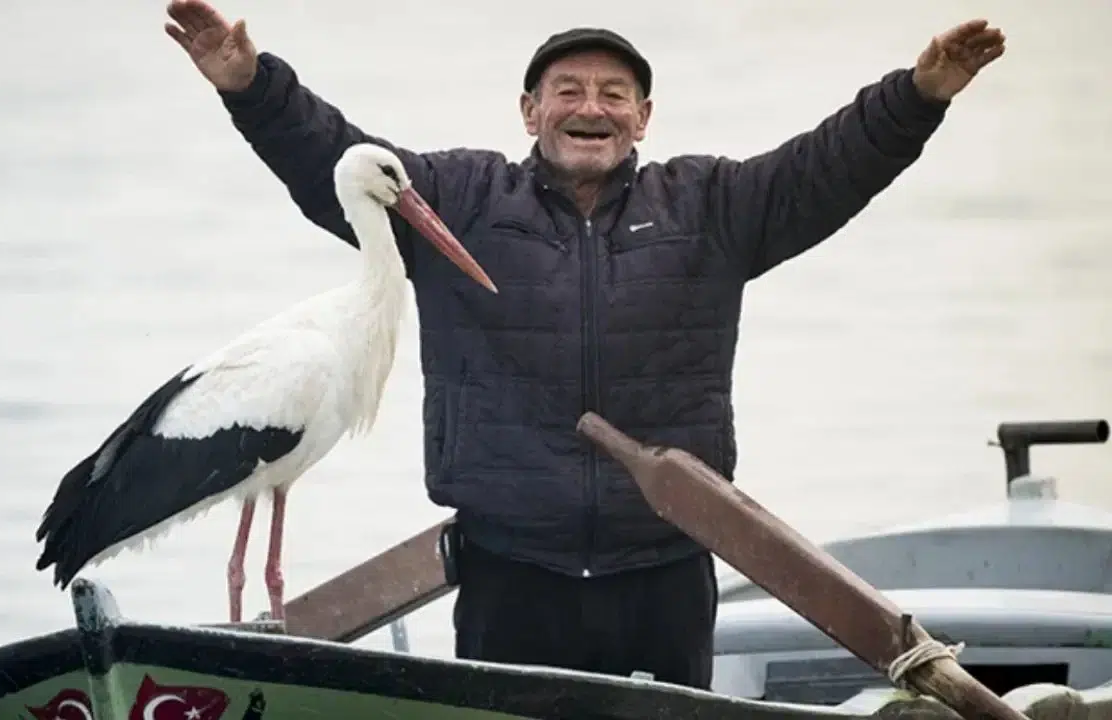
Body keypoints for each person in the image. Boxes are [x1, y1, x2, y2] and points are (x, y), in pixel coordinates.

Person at [163, 0, 1005, 689]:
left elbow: (828, 167)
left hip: (666, 567)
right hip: (509, 572)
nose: (590, 107)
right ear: (529, 111)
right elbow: (334, 160)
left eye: (613, 92)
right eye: (566, 90)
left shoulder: (712, 205)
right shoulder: (458, 197)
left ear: (643, 117)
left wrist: (919, 94)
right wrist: (251, 86)